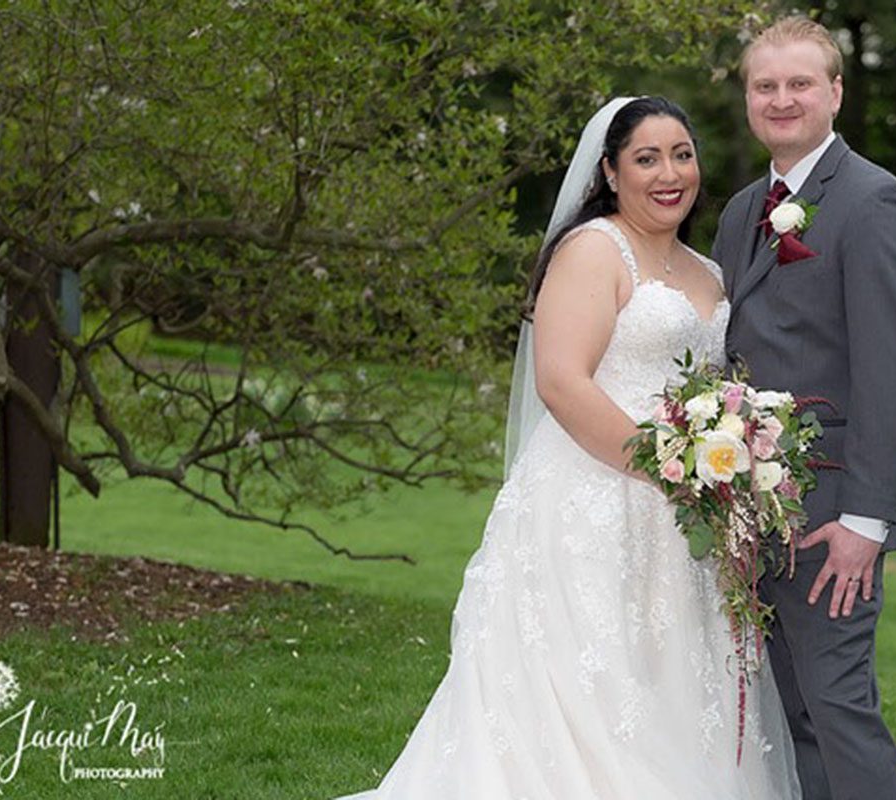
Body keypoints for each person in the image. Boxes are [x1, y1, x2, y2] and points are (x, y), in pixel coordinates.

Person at [336, 96, 800, 799]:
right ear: (611, 172)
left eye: (682, 154)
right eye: (646, 158)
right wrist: (671, 469)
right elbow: (561, 381)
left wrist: (717, 467)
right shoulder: (594, 250)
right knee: (591, 687)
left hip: (683, 522)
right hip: (592, 501)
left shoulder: (707, 271)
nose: (669, 173)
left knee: (672, 683)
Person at [712, 17, 896, 800]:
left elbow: (891, 367)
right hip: (755, 510)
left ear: (835, 93)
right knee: (791, 709)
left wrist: (867, 523)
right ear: (747, 99)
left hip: (835, 510)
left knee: (839, 707)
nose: (781, 100)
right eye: (765, 86)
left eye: (800, 83)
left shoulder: (875, 201)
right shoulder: (742, 211)